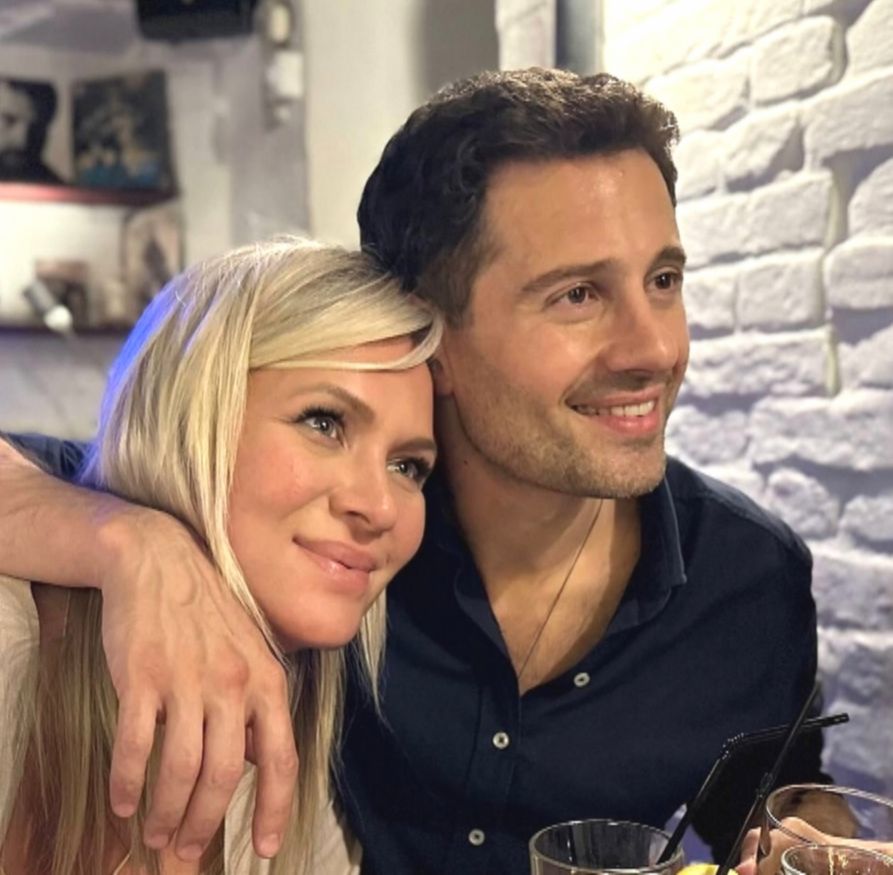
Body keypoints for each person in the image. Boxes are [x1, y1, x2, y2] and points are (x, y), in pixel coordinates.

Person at [0, 69, 833, 873]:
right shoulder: (322, 542)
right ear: (434, 338)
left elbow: (779, 802)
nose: (654, 347)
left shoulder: (748, 578)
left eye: (663, 279)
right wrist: (132, 542)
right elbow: (124, 468)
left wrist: (817, 845)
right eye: (577, 295)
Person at [0, 238, 440, 873]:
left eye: (408, 466)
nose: (379, 507)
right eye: (323, 422)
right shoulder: (14, 651)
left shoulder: (287, 747)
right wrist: (130, 539)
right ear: (191, 415)